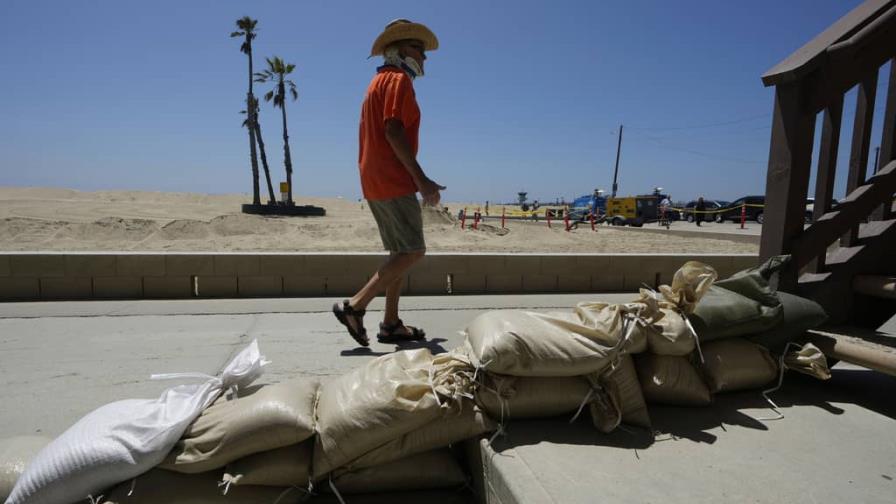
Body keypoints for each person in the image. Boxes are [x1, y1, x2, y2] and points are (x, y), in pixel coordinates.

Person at [332, 19, 444, 347]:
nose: (424, 57)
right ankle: (354, 306)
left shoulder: (377, 81)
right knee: (413, 250)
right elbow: (393, 130)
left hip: (374, 175)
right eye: (418, 49)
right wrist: (422, 180)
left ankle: (391, 323)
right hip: (392, 177)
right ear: (399, 50)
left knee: (400, 251)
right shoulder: (398, 81)